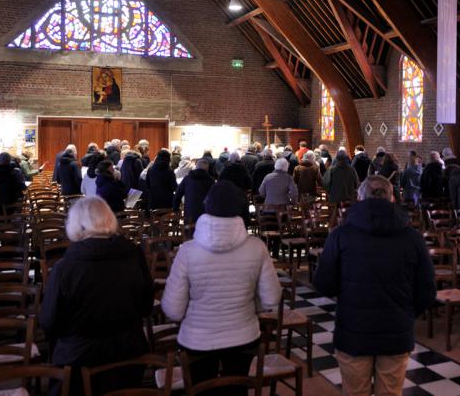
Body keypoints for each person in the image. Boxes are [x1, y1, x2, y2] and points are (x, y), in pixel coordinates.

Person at [314, 176, 436, 396]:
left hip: (354, 330)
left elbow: (324, 284)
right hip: (396, 330)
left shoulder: (340, 235)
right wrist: (406, 313)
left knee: (355, 392)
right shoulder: (413, 238)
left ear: (360, 198)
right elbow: (427, 291)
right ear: (392, 198)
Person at [161, 181, 281, 394]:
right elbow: (271, 298)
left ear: (206, 207)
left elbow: (173, 310)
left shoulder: (188, 251)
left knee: (201, 390)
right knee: (236, 390)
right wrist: (251, 304)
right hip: (243, 335)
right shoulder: (257, 247)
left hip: (197, 340)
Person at [39, 197, 153, 395]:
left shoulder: (65, 268)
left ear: (77, 225)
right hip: (129, 353)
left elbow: (49, 321)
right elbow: (146, 306)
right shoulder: (134, 255)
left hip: (79, 358)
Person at [174, 160, 215, 224]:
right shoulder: (211, 181)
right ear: (207, 169)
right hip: (205, 215)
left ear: (196, 167)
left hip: (189, 213)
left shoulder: (187, 178)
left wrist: (175, 209)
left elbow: (178, 194)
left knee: (189, 229)